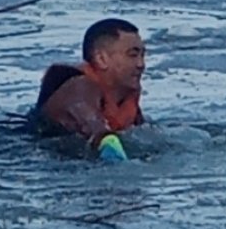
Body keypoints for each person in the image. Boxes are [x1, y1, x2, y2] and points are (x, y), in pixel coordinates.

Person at [29, 18, 146, 161]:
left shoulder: (123, 98)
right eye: (132, 55)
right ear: (101, 59)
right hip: (33, 152)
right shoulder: (79, 87)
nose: (141, 64)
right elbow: (93, 126)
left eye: (142, 55)